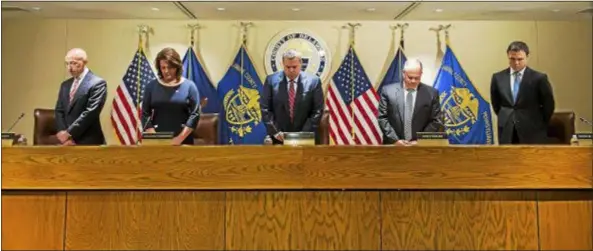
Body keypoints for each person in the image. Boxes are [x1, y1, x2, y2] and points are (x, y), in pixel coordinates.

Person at [490, 41, 555, 144]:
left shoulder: (539, 78)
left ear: (527, 57)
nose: (516, 63)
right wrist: (507, 116)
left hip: (532, 130)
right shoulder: (498, 78)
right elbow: (496, 104)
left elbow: (549, 105)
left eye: (520, 59)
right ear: (508, 56)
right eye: (512, 59)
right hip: (507, 129)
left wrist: (538, 122)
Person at [261, 49, 324, 144]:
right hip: (279, 138)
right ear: (283, 64)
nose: (291, 70)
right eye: (288, 67)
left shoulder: (314, 82)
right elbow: (265, 109)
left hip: (306, 138)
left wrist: (303, 134)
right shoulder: (271, 81)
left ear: (301, 64)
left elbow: (317, 110)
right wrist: (276, 132)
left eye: (294, 67)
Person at [378, 58, 444, 146]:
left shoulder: (431, 93)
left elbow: (436, 120)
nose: (413, 81)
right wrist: (395, 140)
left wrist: (420, 141)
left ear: (421, 74)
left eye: (417, 78)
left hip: (420, 147)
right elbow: (382, 118)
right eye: (410, 77)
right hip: (393, 146)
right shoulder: (388, 91)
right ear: (403, 73)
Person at [142, 47, 200, 145]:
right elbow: (145, 114)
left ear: (177, 66)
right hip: (157, 141)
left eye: (170, 67)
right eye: (163, 67)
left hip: (183, 141)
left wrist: (179, 139)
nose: (166, 71)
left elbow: (195, 114)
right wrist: (155, 137)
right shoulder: (151, 87)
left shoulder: (189, 86)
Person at [54, 48, 107, 145]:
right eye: (67, 64)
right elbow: (59, 110)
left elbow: (91, 112)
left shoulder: (97, 83)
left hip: (88, 141)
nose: (69, 68)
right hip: (66, 142)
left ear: (84, 62)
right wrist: (63, 134)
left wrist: (69, 133)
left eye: (73, 63)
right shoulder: (65, 85)